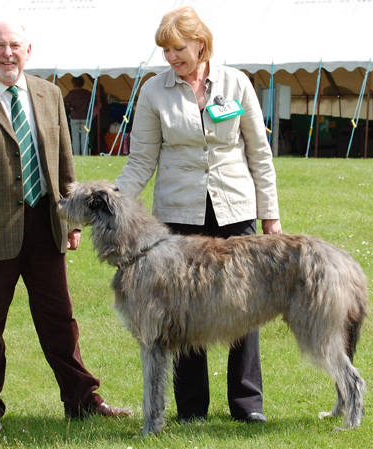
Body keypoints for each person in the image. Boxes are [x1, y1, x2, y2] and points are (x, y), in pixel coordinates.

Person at [0, 22, 132, 432]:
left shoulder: (49, 94)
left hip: (46, 223)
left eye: (15, 46)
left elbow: (63, 162)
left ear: (29, 51)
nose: (8, 53)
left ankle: (82, 400)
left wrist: (73, 219)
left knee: (60, 319)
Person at [115, 6, 282, 424]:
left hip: (235, 209)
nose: (171, 57)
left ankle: (248, 405)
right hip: (178, 215)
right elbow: (140, 161)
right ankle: (192, 408)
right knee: (183, 313)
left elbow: (259, 154)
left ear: (200, 43)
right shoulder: (154, 91)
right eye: (166, 51)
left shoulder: (236, 83)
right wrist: (114, 203)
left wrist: (271, 217)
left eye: (178, 48)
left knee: (245, 306)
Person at [64, 76, 92, 155]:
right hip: (85, 117)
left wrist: (70, 108)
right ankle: (85, 154)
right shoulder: (87, 93)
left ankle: (76, 154)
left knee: (75, 137)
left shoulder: (71, 93)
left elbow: (63, 102)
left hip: (75, 117)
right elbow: (95, 103)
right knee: (85, 136)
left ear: (73, 83)